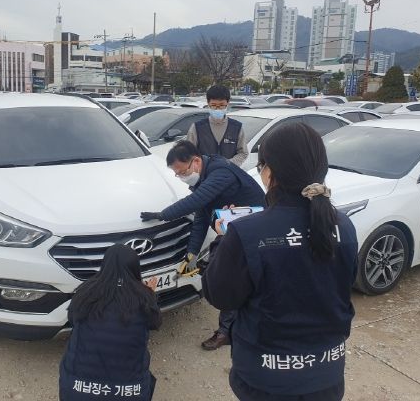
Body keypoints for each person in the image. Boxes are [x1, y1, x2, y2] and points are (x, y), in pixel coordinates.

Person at [202, 122, 359, 401]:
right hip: (327, 375)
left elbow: (220, 295)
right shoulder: (343, 226)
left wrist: (222, 240)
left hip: (266, 379)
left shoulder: (246, 233)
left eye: (260, 165)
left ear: (269, 171)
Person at [140, 140, 265, 351]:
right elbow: (200, 217)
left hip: (255, 229)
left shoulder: (221, 171)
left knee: (235, 278)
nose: (181, 177)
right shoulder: (204, 178)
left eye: (182, 172)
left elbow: (195, 201)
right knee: (235, 278)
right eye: (177, 175)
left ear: (196, 161)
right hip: (235, 227)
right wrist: (192, 253)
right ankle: (233, 328)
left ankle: (229, 331)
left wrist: (162, 215)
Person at [59, 244, 161, 401]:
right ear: (135, 268)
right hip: (129, 393)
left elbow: (73, 319)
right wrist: (150, 294)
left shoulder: (85, 292)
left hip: (76, 390)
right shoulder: (144, 298)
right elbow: (155, 323)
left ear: (105, 265)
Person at [186, 85, 248, 167]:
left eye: (222, 105)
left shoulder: (236, 127)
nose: (217, 109)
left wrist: (227, 164)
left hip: (228, 172)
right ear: (208, 103)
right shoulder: (197, 127)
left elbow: (243, 152)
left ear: (228, 103)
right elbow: (188, 153)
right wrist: (205, 165)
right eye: (214, 105)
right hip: (205, 173)